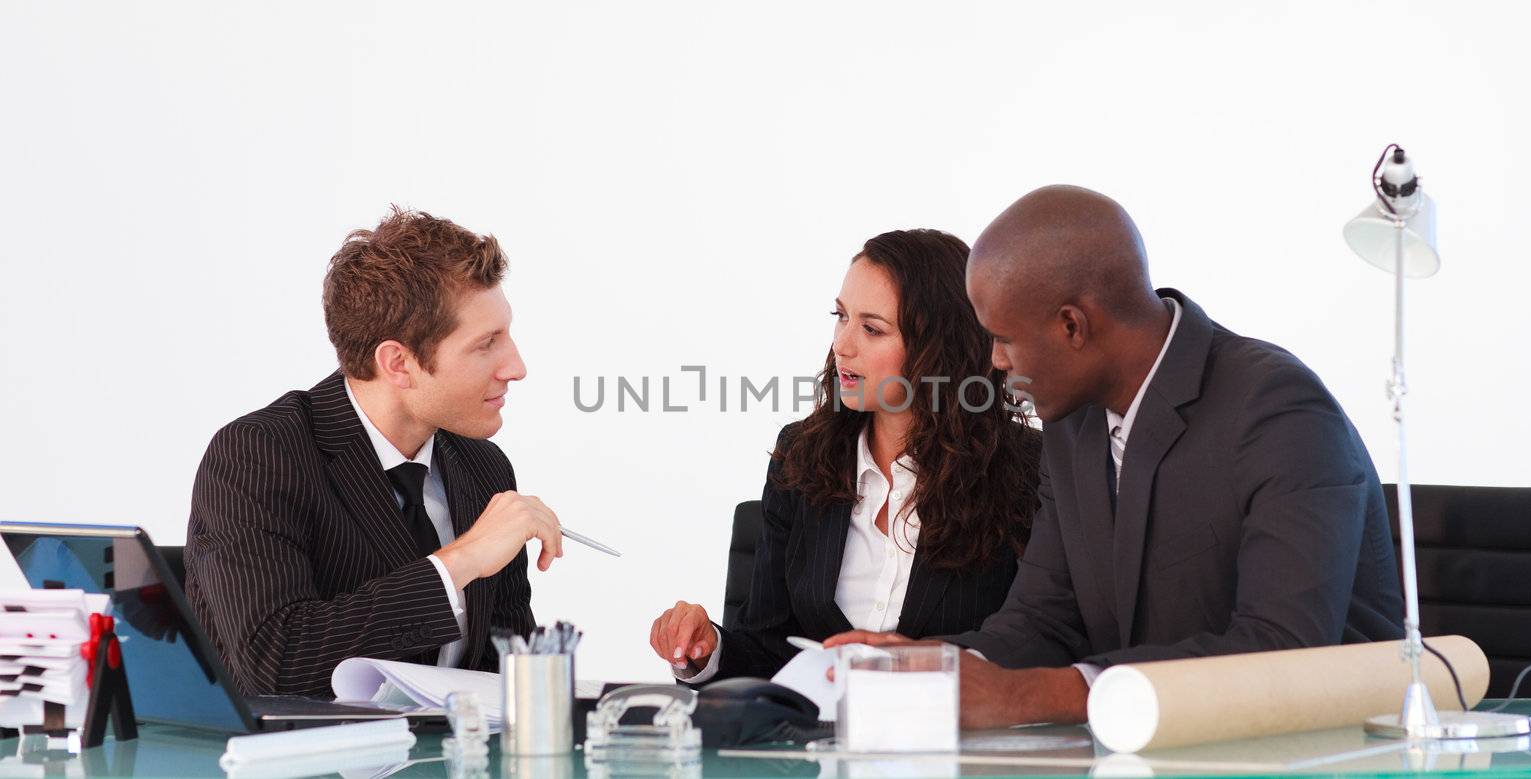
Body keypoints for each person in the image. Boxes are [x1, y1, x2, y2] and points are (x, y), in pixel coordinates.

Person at [826, 186, 1404, 727]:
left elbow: (1283, 647)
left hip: (1320, 752)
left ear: (1073, 326)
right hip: (1153, 746)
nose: (995, 362)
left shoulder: (1278, 411)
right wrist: (930, 662)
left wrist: (1033, 695)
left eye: (1003, 338)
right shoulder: (1073, 418)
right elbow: (1044, 620)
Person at [186, 208, 562, 697]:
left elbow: (502, 675)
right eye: (486, 344)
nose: (517, 367)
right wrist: (461, 561)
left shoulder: (482, 466)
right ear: (398, 363)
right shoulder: (258, 454)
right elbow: (275, 663)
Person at [648, 229, 1041, 683]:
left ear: (941, 348)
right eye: (841, 317)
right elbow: (767, 648)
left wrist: (924, 662)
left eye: (872, 328)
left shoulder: (1027, 470)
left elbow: (1037, 641)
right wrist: (707, 650)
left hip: (960, 742)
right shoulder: (801, 456)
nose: (842, 344)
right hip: (821, 743)